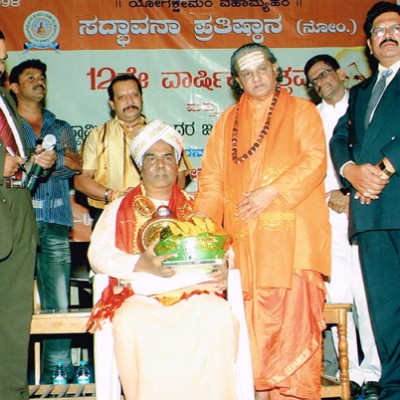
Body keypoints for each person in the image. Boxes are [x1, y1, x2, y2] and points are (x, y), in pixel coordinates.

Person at [194, 43, 330, 400]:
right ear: (237, 80)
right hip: (246, 253)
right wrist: (196, 223)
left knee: (293, 340)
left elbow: (316, 160)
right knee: (254, 345)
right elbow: (211, 181)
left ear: (275, 69)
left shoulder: (303, 112)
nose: (256, 77)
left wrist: (272, 191)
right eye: (247, 72)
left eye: (261, 68)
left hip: (293, 249)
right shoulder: (226, 123)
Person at [86, 119, 238, 400]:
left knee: (216, 314)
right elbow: (98, 254)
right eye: (151, 158)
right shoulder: (118, 208)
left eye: (168, 157)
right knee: (132, 320)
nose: (159, 164)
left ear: (177, 164)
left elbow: (224, 246)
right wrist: (139, 265)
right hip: (138, 296)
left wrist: (225, 266)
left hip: (195, 295)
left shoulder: (197, 207)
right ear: (140, 166)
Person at [330, 2, 400, 399]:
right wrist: (352, 170)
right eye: (379, 31)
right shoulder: (359, 93)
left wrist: (385, 169)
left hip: (396, 196)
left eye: (395, 27)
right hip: (371, 214)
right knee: (384, 311)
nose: (387, 34)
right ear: (370, 45)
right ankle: (393, 387)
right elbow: (340, 139)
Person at [304, 54, 381, 400]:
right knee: (338, 296)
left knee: (368, 295)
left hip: (365, 209)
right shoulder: (312, 118)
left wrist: (349, 196)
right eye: (314, 80)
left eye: (324, 74)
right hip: (326, 219)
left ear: (339, 74)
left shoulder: (364, 104)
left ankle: (375, 373)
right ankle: (349, 376)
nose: (321, 83)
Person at [9, 59, 82, 383]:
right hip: (15, 227)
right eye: (30, 77)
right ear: (13, 86)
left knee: (60, 304)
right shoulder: (6, 126)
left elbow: (77, 164)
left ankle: (58, 377)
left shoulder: (60, 125)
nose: (39, 81)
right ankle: (16, 378)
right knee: (13, 303)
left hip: (53, 224)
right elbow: (8, 165)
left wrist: (48, 161)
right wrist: (32, 159)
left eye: (42, 77)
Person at [0, 31, 56, 400]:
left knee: (14, 324)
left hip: (18, 217)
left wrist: (37, 164)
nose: (0, 67)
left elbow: (15, 165)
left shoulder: (5, 99)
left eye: (3, 58)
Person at [74, 74, 192, 228]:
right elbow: (81, 181)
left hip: (158, 214)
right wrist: (115, 196)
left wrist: (154, 201)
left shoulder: (162, 134)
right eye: (122, 97)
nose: (129, 101)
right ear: (112, 103)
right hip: (110, 215)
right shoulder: (97, 136)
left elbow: (180, 178)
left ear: (141, 97)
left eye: (134, 95)